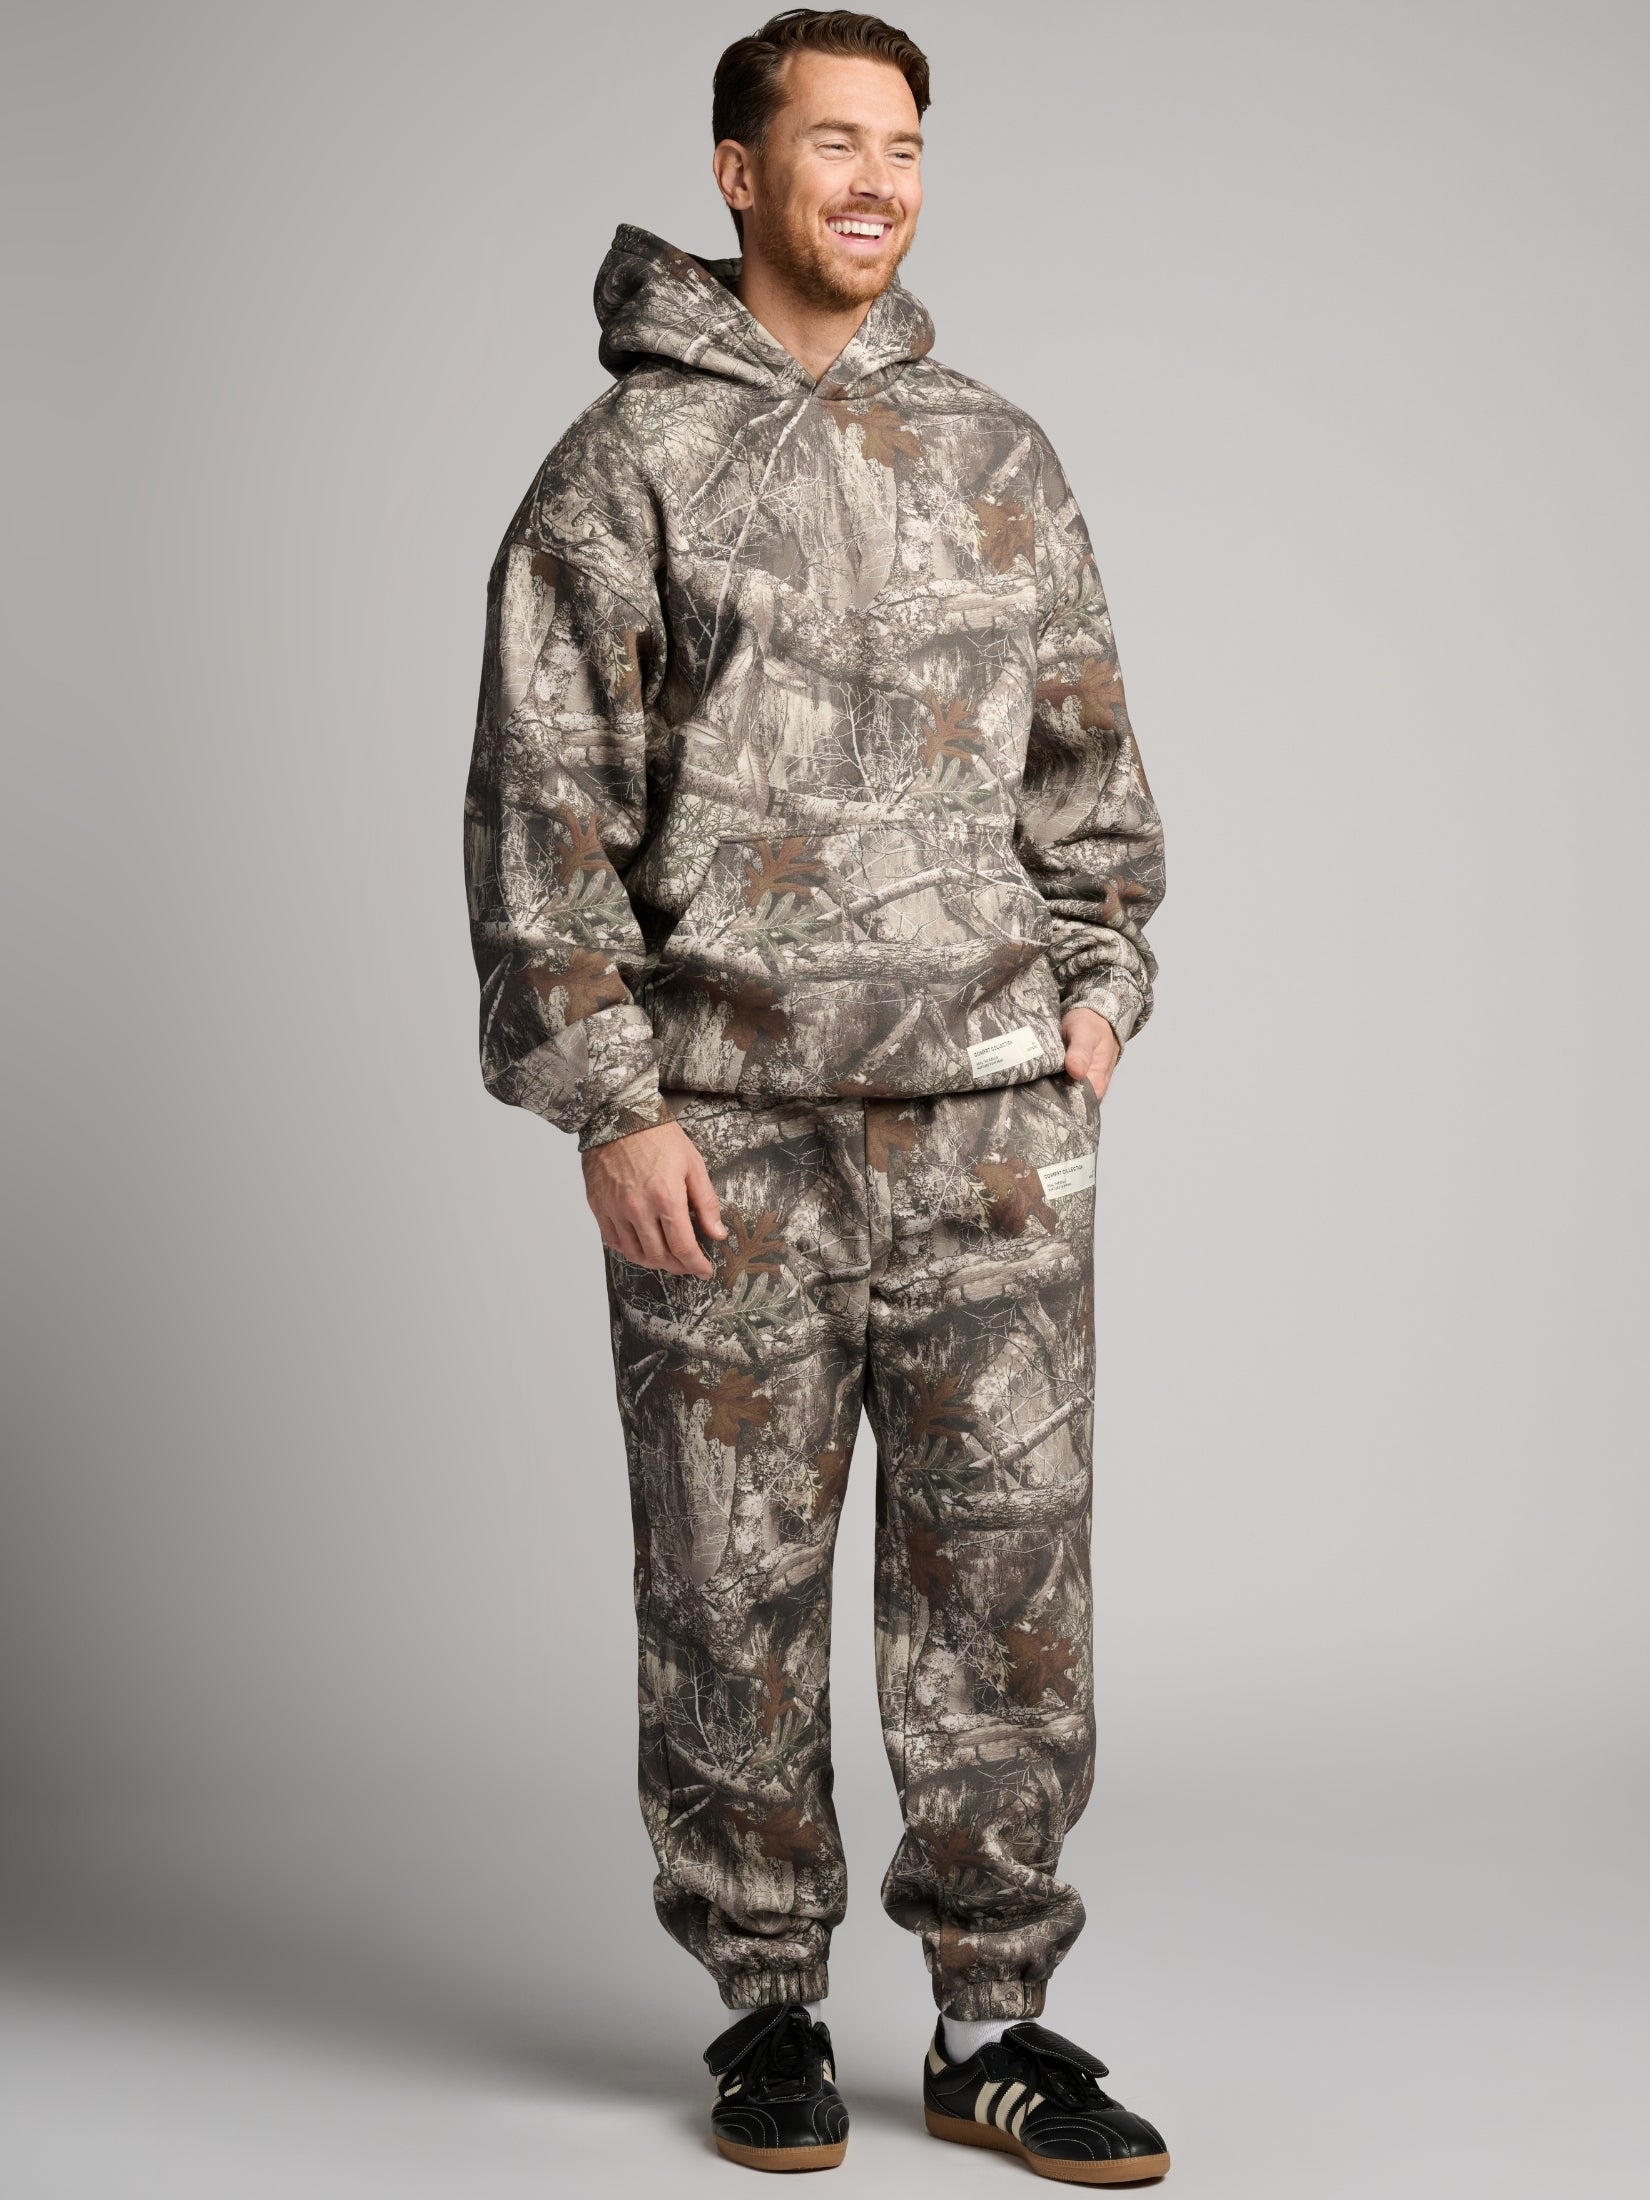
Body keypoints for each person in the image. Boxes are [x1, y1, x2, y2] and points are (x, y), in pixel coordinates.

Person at [463, 8, 1170, 2180]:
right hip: (731, 1140)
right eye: (834, 142)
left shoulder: (998, 453)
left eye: (906, 146)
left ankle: (992, 2023)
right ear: (737, 173)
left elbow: (1087, 772)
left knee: (1006, 1584)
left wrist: (1097, 992)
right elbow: (544, 806)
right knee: (729, 1583)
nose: (876, 181)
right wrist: (613, 1100)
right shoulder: (625, 471)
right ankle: (766, 2005)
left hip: (986, 1135)